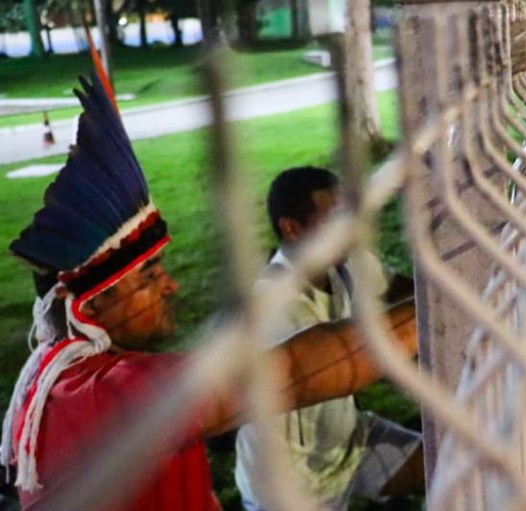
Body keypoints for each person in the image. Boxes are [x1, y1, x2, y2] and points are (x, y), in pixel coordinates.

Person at [0, 75, 418, 511]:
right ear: (86, 304)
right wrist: (427, 316)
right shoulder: (99, 393)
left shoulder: (69, 373)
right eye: (147, 277)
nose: (170, 285)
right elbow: (292, 371)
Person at [235, 167, 423, 511]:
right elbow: (362, 357)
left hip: (351, 442)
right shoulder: (274, 306)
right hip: (289, 487)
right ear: (291, 229)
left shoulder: (347, 263)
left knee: (453, 463)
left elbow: (402, 292)